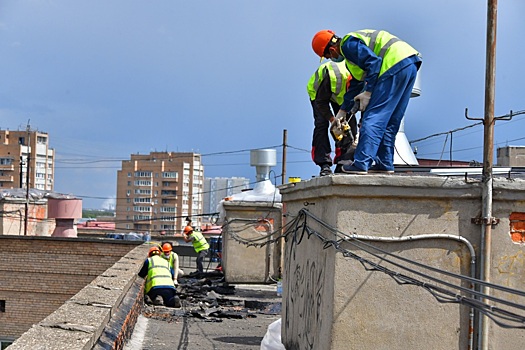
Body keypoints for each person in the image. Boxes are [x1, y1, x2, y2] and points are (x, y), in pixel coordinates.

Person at [311, 29, 422, 174]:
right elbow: (356, 85)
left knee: (372, 118)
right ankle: (385, 164)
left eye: (328, 56)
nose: (330, 59)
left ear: (332, 50)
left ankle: (361, 163)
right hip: (410, 63)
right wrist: (342, 112)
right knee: (390, 121)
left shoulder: (347, 44)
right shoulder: (352, 58)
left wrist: (368, 92)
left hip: (393, 65)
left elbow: (374, 63)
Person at [307, 60, 359, 176]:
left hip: (342, 96)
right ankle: (324, 164)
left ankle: (344, 161)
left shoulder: (362, 77)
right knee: (322, 124)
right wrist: (333, 121)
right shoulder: (332, 77)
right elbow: (321, 102)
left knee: (349, 125)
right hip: (318, 93)